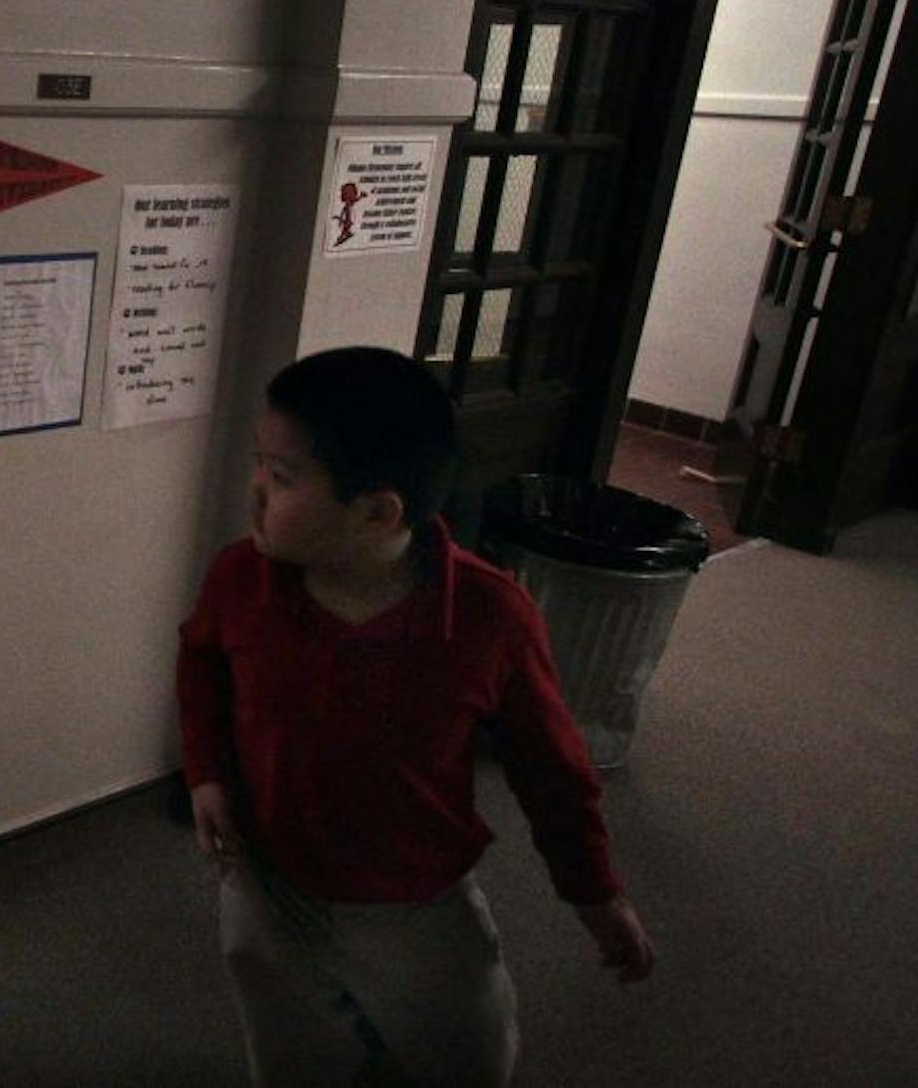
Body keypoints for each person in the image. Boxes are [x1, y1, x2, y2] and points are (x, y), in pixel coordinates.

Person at [178, 346, 653, 1086]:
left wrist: (595, 891)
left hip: (413, 901)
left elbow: (552, 770)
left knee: (466, 1055)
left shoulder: (491, 617)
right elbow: (202, 660)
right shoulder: (240, 578)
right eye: (258, 464)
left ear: (377, 511)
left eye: (283, 476)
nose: (254, 489)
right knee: (293, 1051)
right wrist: (206, 773)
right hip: (266, 879)